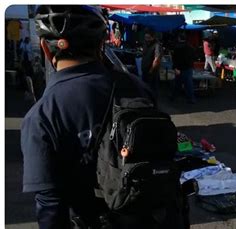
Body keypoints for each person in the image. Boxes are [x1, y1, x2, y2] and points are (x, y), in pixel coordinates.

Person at [21, 5, 154, 228]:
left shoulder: (42, 115)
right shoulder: (137, 87)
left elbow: (50, 207)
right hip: (150, 219)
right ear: (100, 44)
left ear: (45, 48)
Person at [170, 33, 196, 104]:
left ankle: (174, 97)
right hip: (188, 68)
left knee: (177, 84)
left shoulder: (177, 48)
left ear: (179, 38)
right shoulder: (190, 47)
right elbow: (193, 56)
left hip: (179, 68)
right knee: (189, 84)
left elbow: (175, 59)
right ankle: (191, 99)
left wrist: (175, 67)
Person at [141, 30, 161, 97]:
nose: (146, 39)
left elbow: (156, 59)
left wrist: (151, 70)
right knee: (145, 86)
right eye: (145, 37)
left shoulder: (156, 45)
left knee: (152, 88)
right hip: (144, 70)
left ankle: (153, 103)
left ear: (152, 37)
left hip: (152, 72)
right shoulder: (145, 43)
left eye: (148, 37)